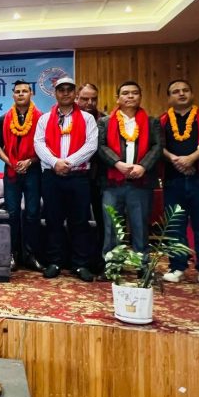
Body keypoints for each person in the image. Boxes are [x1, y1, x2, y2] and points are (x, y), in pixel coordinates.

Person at [34, 77, 98, 282]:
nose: (65, 93)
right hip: (52, 176)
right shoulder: (45, 119)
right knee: (53, 220)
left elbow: (91, 145)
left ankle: (80, 264)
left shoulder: (87, 119)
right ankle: (55, 261)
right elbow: (39, 144)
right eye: (61, 90)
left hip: (78, 176)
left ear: (75, 94)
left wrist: (67, 163)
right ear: (55, 93)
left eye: (69, 89)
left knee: (79, 221)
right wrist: (55, 163)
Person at [160, 79, 199, 287]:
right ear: (169, 97)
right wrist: (176, 160)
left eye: (185, 90)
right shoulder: (162, 121)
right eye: (176, 91)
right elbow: (158, 146)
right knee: (175, 225)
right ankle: (177, 267)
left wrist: (191, 159)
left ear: (192, 94)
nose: (181, 94)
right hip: (173, 180)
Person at [97, 81, 162, 266]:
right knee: (112, 226)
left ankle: (142, 265)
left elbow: (157, 147)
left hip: (141, 182)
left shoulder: (152, 122)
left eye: (135, 93)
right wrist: (117, 163)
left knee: (140, 226)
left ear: (140, 97)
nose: (130, 96)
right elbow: (100, 146)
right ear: (118, 98)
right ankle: (112, 265)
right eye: (125, 93)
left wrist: (143, 166)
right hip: (112, 183)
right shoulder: (105, 122)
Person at [0, 80, 44, 271]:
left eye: (25, 91)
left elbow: (46, 146)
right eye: (17, 91)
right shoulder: (4, 118)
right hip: (12, 171)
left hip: (33, 170)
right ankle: (12, 254)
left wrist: (29, 161)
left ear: (31, 93)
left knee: (32, 213)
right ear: (13, 95)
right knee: (12, 213)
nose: (21, 94)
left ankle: (31, 255)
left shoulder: (41, 118)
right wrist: (11, 162)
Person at [76, 82, 107, 272]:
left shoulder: (105, 120)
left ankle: (99, 260)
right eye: (85, 99)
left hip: (99, 179)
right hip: (74, 177)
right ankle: (77, 259)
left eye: (93, 99)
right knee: (77, 220)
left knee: (102, 221)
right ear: (77, 98)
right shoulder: (68, 119)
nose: (89, 103)